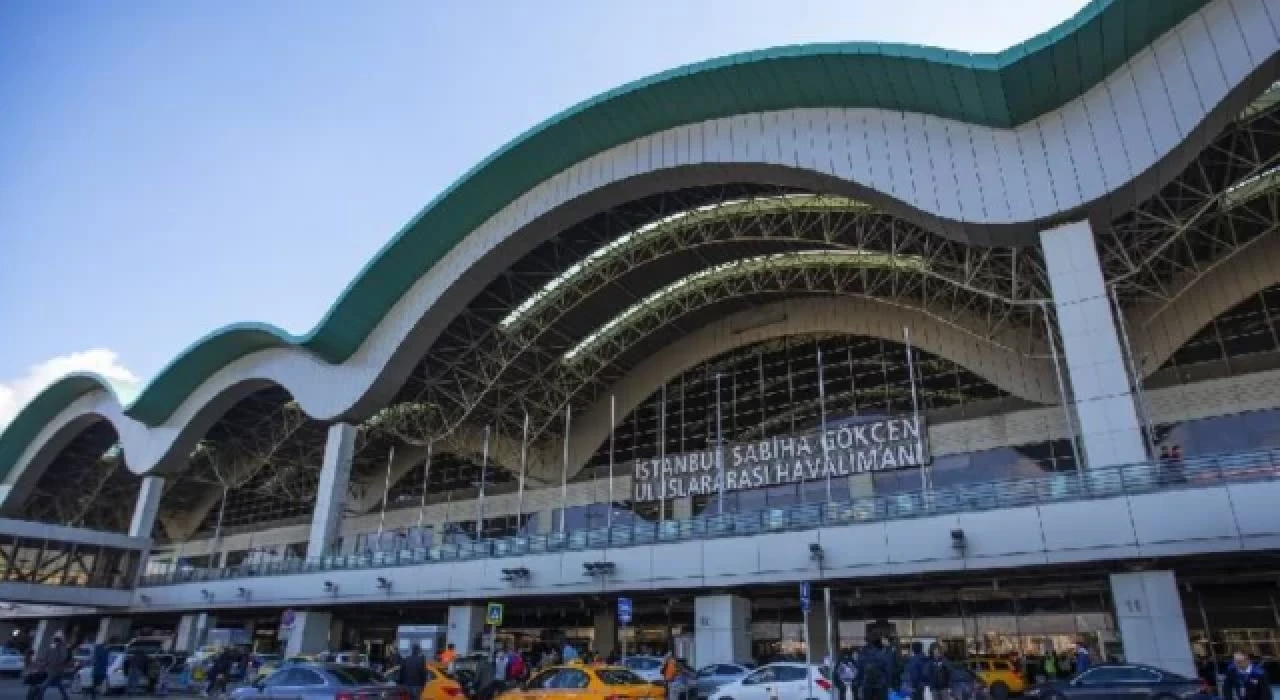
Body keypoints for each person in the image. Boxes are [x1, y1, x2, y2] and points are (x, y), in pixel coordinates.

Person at [35, 632, 70, 700]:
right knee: (59, 685)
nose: (55, 641)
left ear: (60, 641)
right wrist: (43, 663)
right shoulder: (52, 647)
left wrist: (54, 662)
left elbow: (63, 657)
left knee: (44, 685)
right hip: (51, 669)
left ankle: (39, 697)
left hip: (57, 670)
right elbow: (47, 655)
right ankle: (66, 697)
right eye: (55, 639)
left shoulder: (62, 648)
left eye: (57, 640)